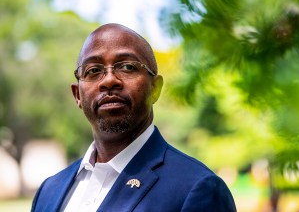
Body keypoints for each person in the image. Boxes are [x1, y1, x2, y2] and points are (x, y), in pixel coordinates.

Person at [31, 23, 236, 212]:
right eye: (93, 70)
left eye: (127, 67)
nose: (109, 80)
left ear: (155, 88)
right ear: (77, 95)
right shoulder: (49, 191)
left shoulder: (196, 187)